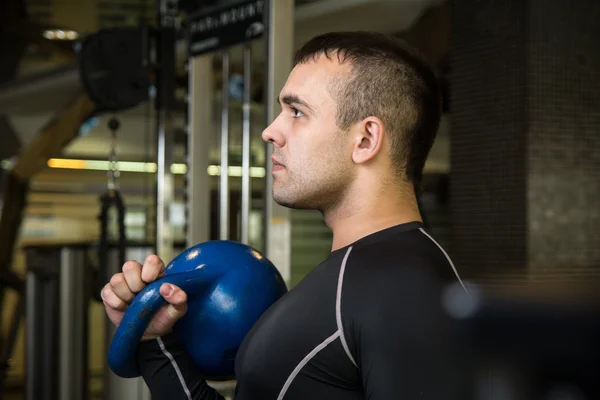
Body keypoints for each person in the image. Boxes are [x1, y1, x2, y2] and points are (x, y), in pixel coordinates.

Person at [101, 31, 468, 399]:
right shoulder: (362, 273)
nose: (270, 131)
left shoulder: (402, 287)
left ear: (366, 140)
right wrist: (155, 340)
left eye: (297, 112)